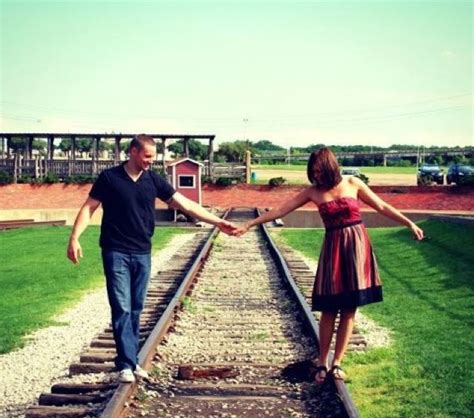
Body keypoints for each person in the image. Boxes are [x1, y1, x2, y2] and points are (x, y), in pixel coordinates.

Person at [234, 147, 424, 384]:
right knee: (329, 309)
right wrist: (251, 223)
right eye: (313, 172)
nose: (317, 176)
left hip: (356, 248)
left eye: (319, 170)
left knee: (349, 309)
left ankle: (337, 364)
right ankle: (322, 362)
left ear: (329, 166)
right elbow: (281, 210)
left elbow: (382, 206)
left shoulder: (353, 183)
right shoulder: (313, 192)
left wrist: (409, 223)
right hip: (333, 249)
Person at [67, 134, 238, 383]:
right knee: (122, 307)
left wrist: (218, 221)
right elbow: (89, 208)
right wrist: (74, 237)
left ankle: (130, 360)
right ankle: (126, 363)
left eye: (153, 157)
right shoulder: (110, 178)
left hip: (142, 252)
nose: (151, 161)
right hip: (116, 251)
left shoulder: (153, 180)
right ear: (133, 152)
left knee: (136, 308)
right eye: (147, 156)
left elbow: (185, 204)